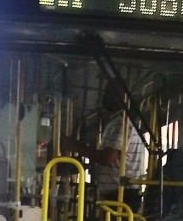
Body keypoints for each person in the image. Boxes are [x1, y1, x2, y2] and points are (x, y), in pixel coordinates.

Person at [62, 83, 145, 212]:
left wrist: (77, 147)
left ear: (120, 97)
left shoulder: (121, 122)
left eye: (108, 93)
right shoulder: (120, 121)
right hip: (119, 195)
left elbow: (108, 158)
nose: (104, 97)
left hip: (122, 196)